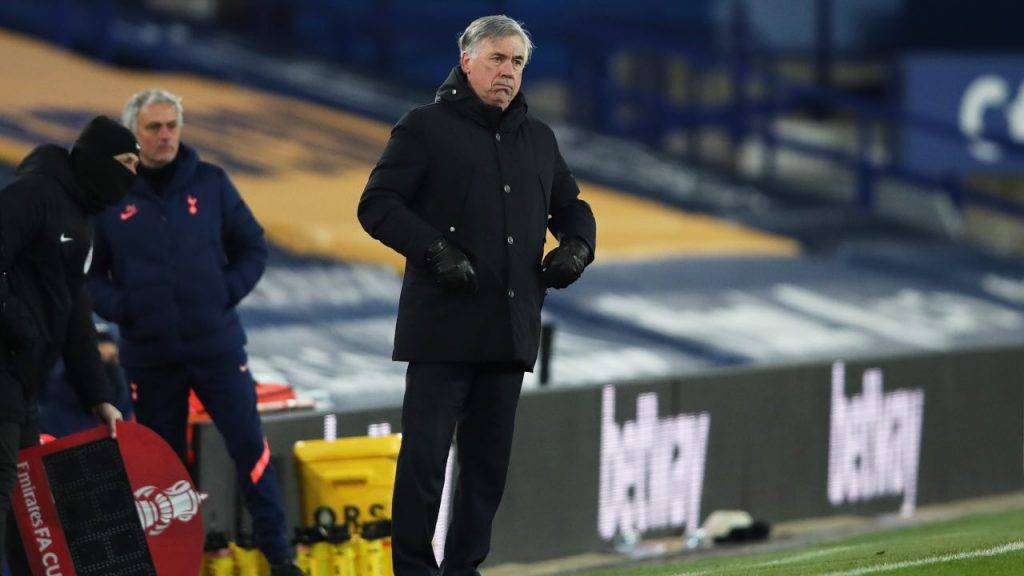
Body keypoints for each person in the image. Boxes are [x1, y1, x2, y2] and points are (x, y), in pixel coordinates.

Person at [358, 15, 597, 576]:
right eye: (496, 59)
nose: (507, 72)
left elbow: (573, 206)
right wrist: (436, 252)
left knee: (487, 467)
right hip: (442, 328)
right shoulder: (423, 127)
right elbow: (377, 205)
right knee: (424, 461)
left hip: (509, 326)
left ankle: (465, 568)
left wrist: (578, 247)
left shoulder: (538, 138)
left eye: (517, 62)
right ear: (466, 61)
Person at [86, 89, 299, 575]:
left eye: (171, 126)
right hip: (150, 355)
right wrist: (125, 310)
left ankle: (280, 559)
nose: (164, 136)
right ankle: (173, 565)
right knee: (163, 471)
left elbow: (253, 247)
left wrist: (223, 294)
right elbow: (89, 275)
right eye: (153, 128)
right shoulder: (110, 195)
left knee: (250, 449)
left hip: (217, 348)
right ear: (133, 134)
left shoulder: (211, 183)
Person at [0, 115, 131, 572]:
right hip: (4, 376)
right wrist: (21, 328)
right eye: (126, 161)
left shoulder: (81, 221)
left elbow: (74, 312)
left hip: (24, 386)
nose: (132, 175)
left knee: (29, 516)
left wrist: (98, 396)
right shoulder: (33, 195)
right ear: (96, 159)